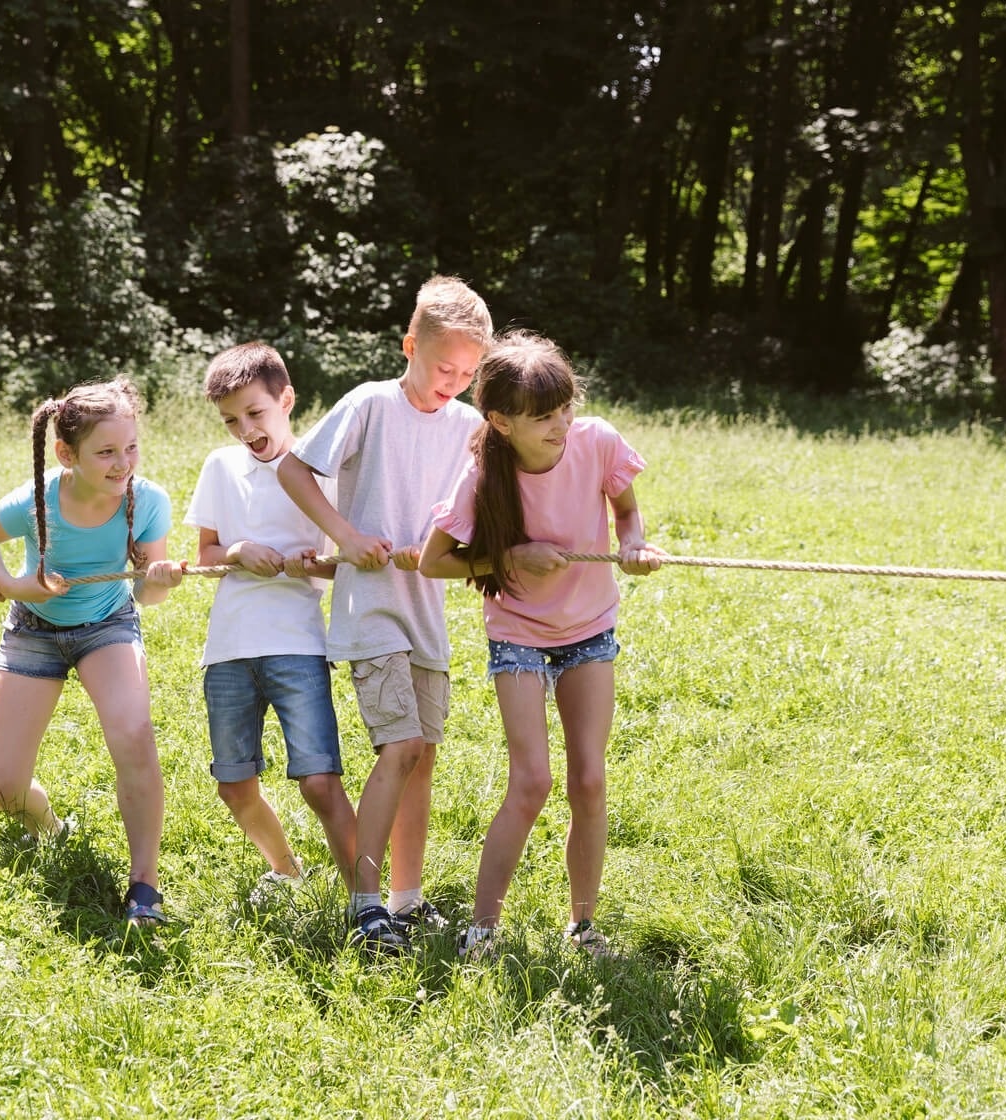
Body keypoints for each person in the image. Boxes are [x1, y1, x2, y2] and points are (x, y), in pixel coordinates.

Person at [418, 332, 663, 958]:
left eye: (565, 408)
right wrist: (509, 556)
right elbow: (432, 563)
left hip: (589, 628)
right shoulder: (483, 475)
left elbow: (628, 512)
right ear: (500, 422)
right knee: (531, 781)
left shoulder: (597, 441)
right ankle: (482, 930)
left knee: (588, 776)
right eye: (543, 416)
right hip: (520, 633)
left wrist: (633, 543)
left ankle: (583, 926)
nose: (561, 424)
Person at [278, 275, 493, 951]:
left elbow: (475, 512)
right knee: (398, 747)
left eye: (467, 372)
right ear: (409, 346)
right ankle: (365, 905)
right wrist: (344, 536)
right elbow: (293, 470)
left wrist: (457, 553)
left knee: (423, 754)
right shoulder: (370, 404)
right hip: (371, 606)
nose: (452, 381)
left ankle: (406, 899)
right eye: (442, 367)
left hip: (424, 605)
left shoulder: (471, 427)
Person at [0, 378, 185, 927]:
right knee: (3, 788)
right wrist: (17, 586)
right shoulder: (39, 500)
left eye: (130, 448)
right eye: (105, 452)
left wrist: (159, 580)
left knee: (134, 733)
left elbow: (145, 596)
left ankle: (145, 884)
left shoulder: (147, 499)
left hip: (107, 624)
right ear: (67, 453)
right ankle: (51, 828)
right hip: (34, 629)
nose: (121, 463)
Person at [185, 342, 358, 899]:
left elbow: (348, 563)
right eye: (231, 419)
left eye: (255, 413)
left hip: (297, 643)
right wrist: (238, 551)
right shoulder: (220, 466)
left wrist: (312, 564)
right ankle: (286, 870)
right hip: (229, 647)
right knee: (233, 784)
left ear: (286, 400)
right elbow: (205, 556)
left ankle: (365, 895)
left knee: (319, 781)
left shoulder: (318, 470)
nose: (244, 428)